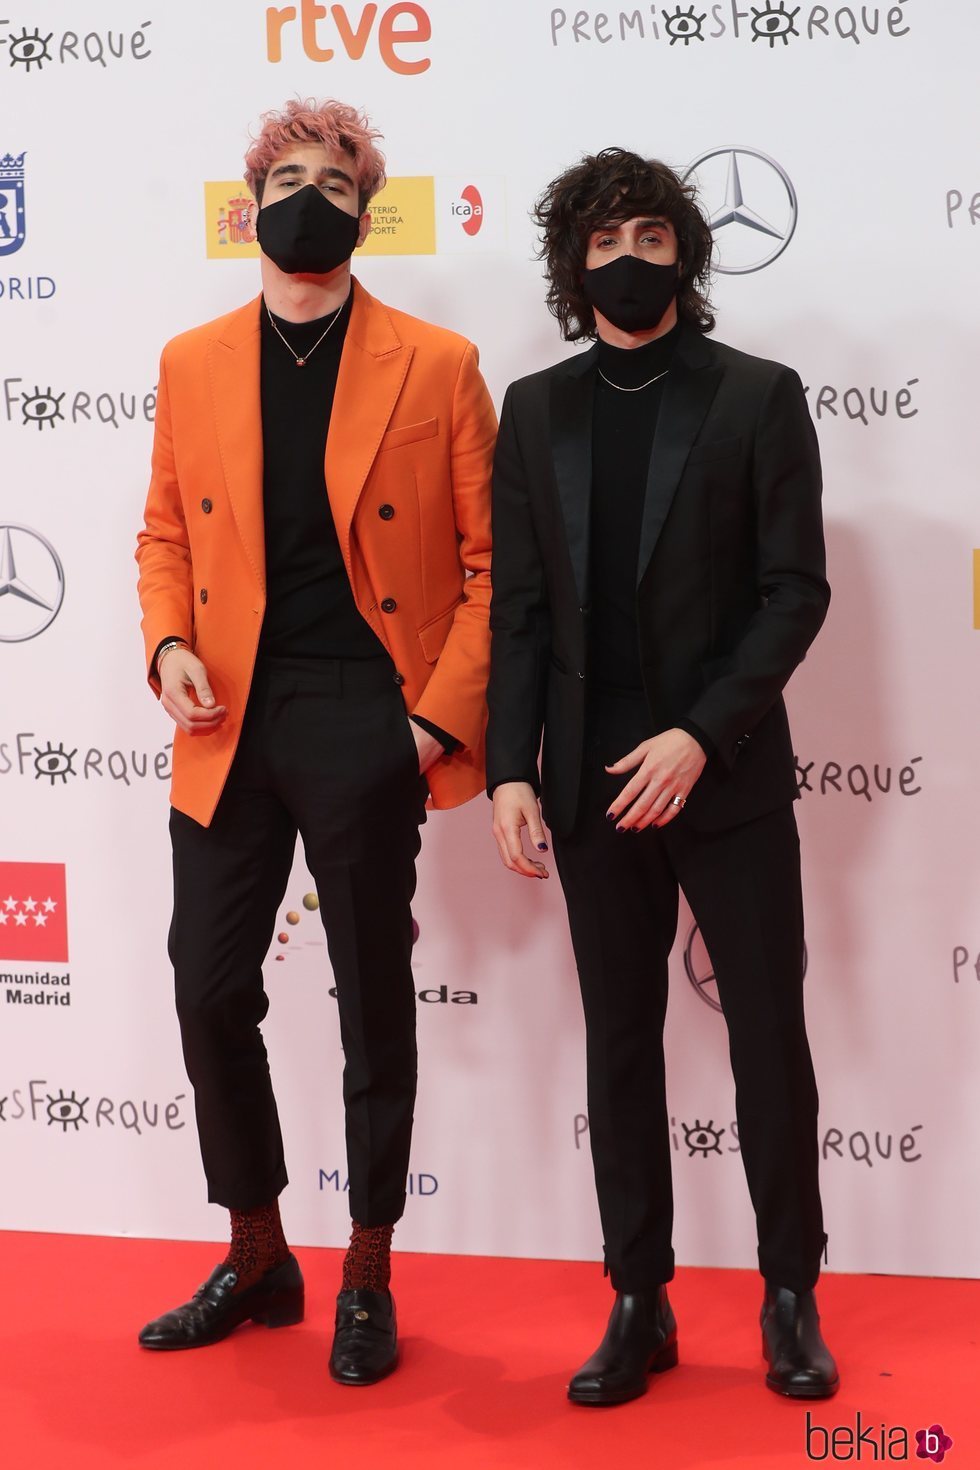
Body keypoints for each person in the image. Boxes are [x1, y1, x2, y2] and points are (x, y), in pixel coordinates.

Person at [135, 97, 496, 1385]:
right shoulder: (189, 360)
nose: (308, 198)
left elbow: (489, 566)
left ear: (364, 209)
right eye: (285, 178)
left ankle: (366, 1269)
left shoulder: (435, 363)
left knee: (370, 997)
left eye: (334, 183)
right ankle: (256, 1251)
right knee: (207, 985)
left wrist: (428, 724)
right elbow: (165, 533)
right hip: (226, 711)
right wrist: (168, 646)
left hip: (366, 708)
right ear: (250, 202)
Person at [487, 147, 837, 1405]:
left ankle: (788, 1293)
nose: (626, 260)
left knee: (766, 1044)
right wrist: (506, 769)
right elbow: (518, 611)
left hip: (722, 773)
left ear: (682, 252)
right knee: (619, 1044)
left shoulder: (754, 394)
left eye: (648, 237)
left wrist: (701, 733)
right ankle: (637, 1299)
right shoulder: (535, 409)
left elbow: (792, 591)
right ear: (568, 263)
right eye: (601, 242)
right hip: (585, 783)